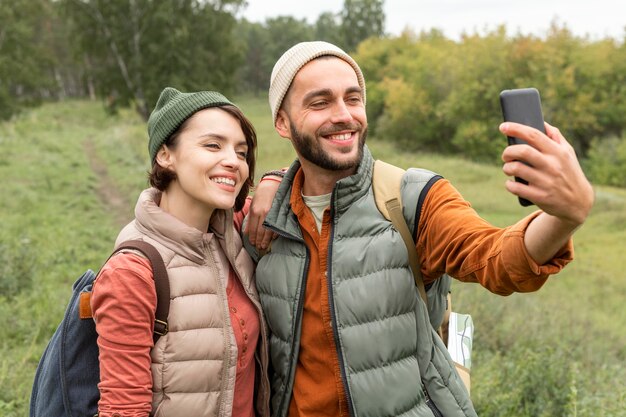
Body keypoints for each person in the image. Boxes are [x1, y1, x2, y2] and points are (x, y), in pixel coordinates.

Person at [244, 41, 595, 417]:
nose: (344, 115)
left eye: (353, 98)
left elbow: (499, 259)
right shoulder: (263, 220)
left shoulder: (411, 199)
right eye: (320, 102)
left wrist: (564, 216)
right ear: (282, 122)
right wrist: (273, 179)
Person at [91, 87, 271, 417]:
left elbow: (309, 182)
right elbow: (123, 409)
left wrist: (272, 180)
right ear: (165, 155)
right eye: (213, 145)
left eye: (242, 152)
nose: (233, 161)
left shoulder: (233, 231)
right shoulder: (133, 272)